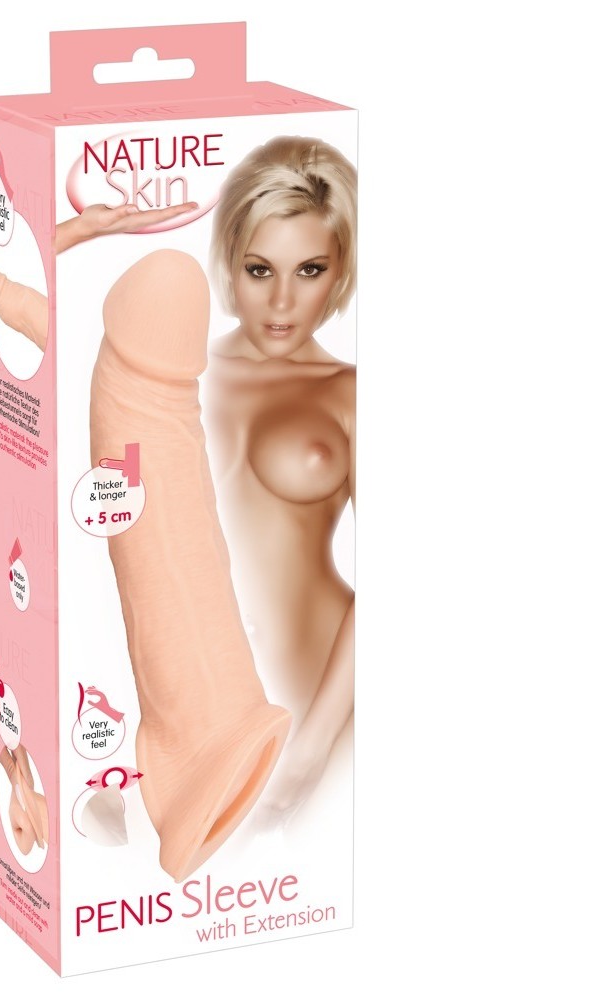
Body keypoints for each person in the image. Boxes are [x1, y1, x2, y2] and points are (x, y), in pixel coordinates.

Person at [205, 135, 357, 826]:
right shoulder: (180, 374)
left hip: (329, 703)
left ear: (341, 269)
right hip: (209, 718)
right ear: (229, 260)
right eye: (260, 269)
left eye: (311, 269)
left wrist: (313, 746)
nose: (283, 301)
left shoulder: (351, 393)